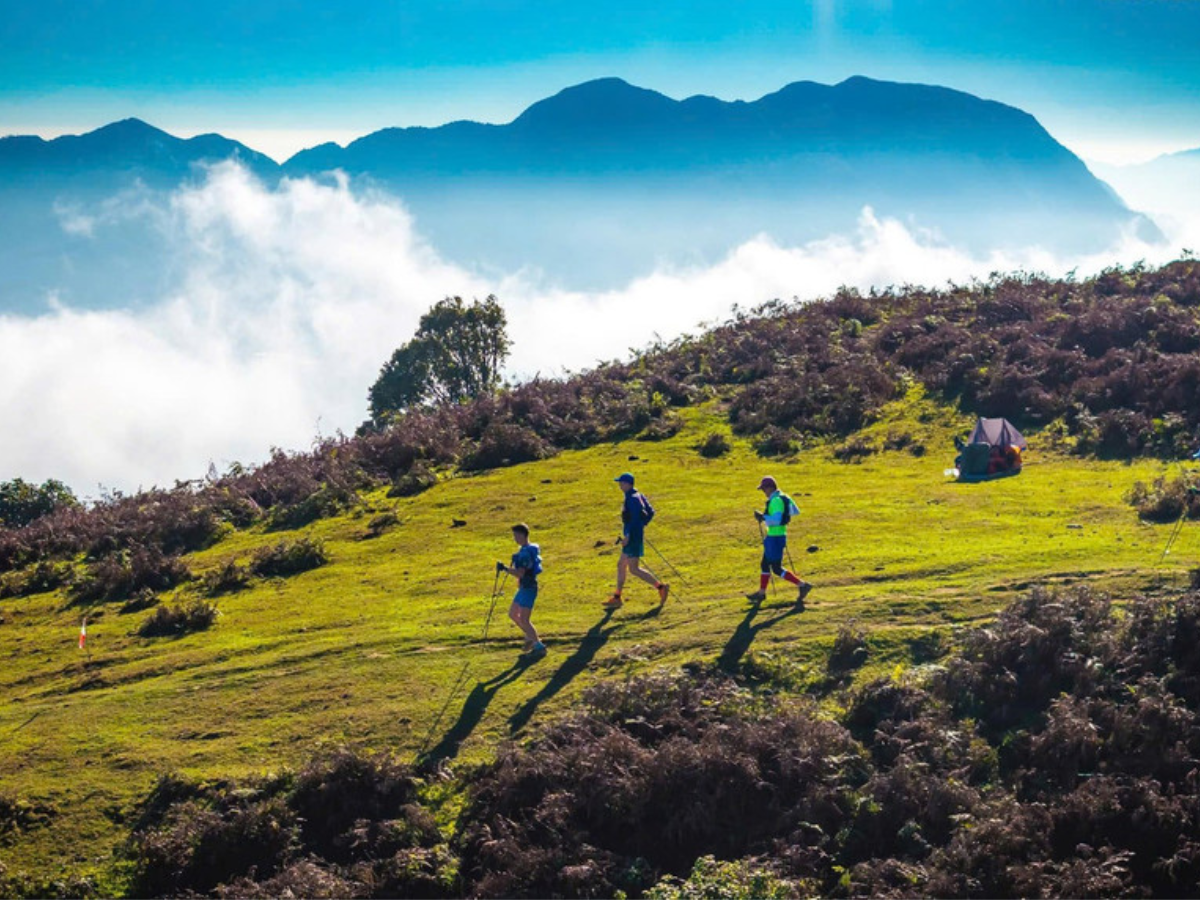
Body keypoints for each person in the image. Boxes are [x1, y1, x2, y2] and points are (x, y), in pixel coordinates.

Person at [604, 472, 669, 609]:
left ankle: (661, 587)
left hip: (632, 536)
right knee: (621, 564)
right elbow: (650, 513)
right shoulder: (638, 495)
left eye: (621, 483)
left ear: (628, 484)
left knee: (633, 569)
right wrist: (642, 525)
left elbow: (632, 520)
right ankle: (617, 597)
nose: (620, 486)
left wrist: (628, 535)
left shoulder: (631, 499)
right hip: (636, 534)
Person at [746, 475, 812, 606]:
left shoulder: (776, 500)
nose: (763, 492)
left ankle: (802, 585)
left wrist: (763, 517)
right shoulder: (783, 497)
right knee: (765, 564)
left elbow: (776, 520)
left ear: (770, 487)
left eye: (764, 489)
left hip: (775, 537)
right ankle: (761, 593)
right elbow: (794, 511)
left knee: (775, 568)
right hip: (777, 535)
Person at [497, 523, 546, 657]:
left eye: (517, 535)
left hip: (528, 588)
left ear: (523, 535)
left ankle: (538, 645)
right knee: (513, 614)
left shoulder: (525, 553)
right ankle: (531, 637)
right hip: (525, 588)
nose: (515, 538)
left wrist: (505, 568)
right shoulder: (526, 550)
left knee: (524, 619)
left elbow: (521, 573)